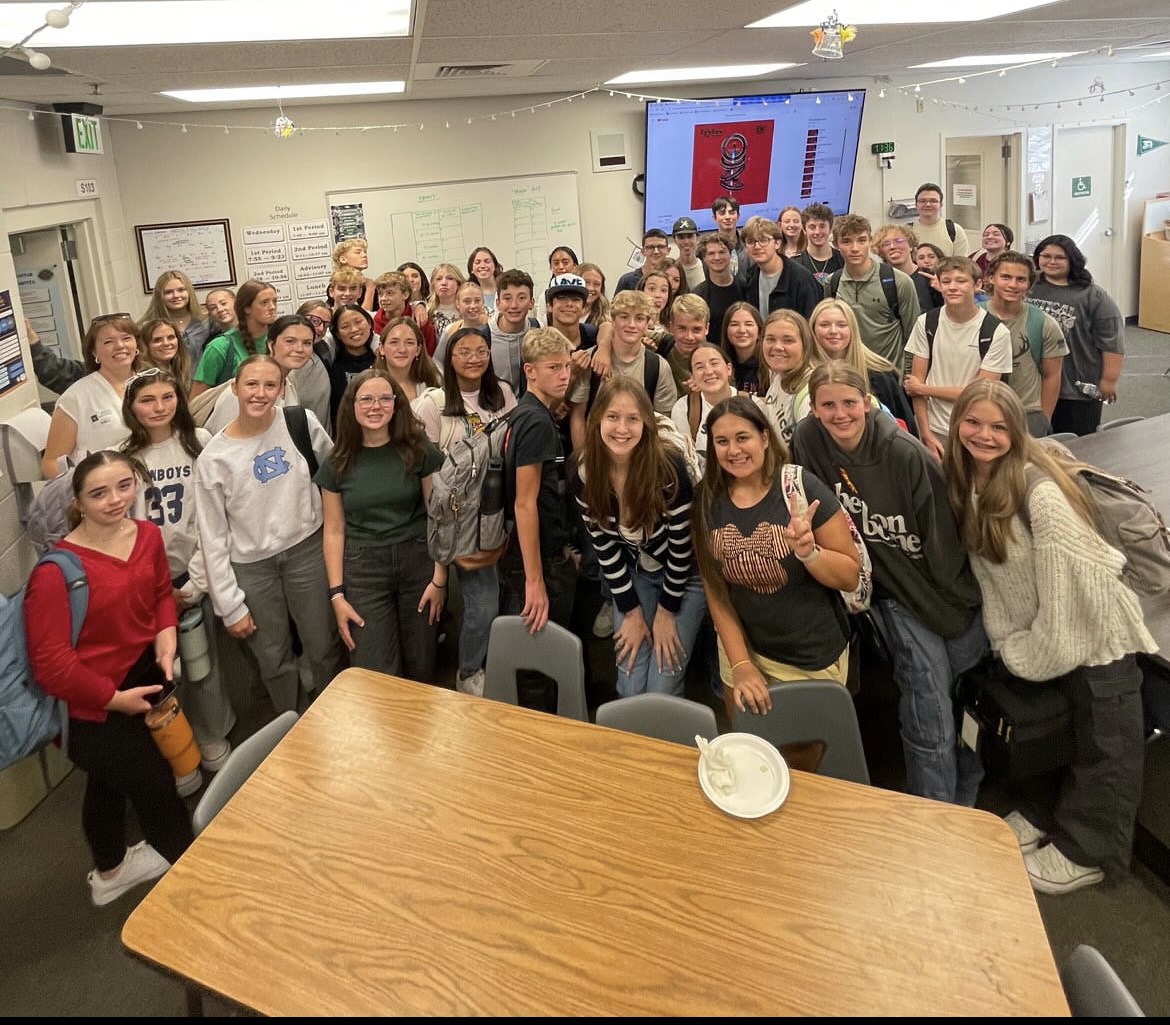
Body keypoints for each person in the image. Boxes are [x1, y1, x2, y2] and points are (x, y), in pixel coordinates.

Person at [945, 379, 1155, 894]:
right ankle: (1043, 814)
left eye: (999, 427)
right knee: (1056, 732)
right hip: (1041, 640)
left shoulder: (1039, 494)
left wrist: (1025, 652)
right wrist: (1017, 643)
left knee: (1103, 748)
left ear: (1018, 432)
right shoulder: (969, 481)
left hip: (1091, 637)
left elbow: (1070, 599)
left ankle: (1088, 851)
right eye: (973, 422)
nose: (984, 435)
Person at [792, 362, 986, 805]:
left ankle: (965, 798)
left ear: (866, 402)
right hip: (888, 594)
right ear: (814, 410)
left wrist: (954, 612)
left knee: (965, 701)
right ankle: (934, 814)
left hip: (941, 594)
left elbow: (945, 547)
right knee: (930, 712)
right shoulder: (807, 440)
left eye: (848, 403)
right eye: (827, 405)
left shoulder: (906, 455)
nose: (840, 414)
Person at [24, 450, 192, 906]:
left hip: (142, 671)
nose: (115, 500)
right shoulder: (56, 575)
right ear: (76, 501)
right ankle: (195, 874)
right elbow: (53, 666)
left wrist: (166, 635)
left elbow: (160, 592)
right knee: (156, 784)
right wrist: (113, 700)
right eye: (98, 493)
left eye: (124, 486)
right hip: (90, 704)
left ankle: (111, 871)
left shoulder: (147, 535)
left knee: (108, 782)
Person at [690, 397, 860, 747]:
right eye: (722, 442)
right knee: (750, 746)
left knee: (804, 760)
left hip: (808, 657)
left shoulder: (800, 490)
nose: (733, 450)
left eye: (743, 437)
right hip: (743, 650)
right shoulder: (706, 499)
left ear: (765, 438)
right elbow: (715, 589)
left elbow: (849, 576)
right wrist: (740, 664)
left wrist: (810, 553)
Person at [193, 355, 342, 714]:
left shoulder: (299, 423)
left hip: (306, 551)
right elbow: (212, 537)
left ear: (281, 389)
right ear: (235, 388)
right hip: (252, 568)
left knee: (323, 646)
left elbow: (336, 471)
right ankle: (293, 727)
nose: (260, 394)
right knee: (273, 658)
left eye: (270, 385)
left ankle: (336, 715)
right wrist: (229, 606)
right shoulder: (214, 459)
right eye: (251, 385)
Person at [121, 368, 235, 793]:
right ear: (131, 408)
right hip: (148, 586)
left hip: (194, 574)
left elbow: (216, 517)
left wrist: (196, 583)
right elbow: (122, 530)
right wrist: (153, 590)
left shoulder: (200, 443)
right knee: (163, 673)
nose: (159, 408)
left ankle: (211, 734)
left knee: (203, 661)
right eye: (147, 401)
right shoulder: (123, 457)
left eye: (167, 398)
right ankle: (176, 748)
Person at [572, 377, 704, 697]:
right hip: (638, 573)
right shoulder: (587, 473)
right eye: (613, 417)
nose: (622, 428)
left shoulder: (667, 470)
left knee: (661, 685)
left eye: (633, 419)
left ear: (645, 423)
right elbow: (605, 548)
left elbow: (681, 551)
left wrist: (665, 613)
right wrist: (631, 612)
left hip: (685, 577)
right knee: (630, 684)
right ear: (597, 420)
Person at [318, 370, 445, 682]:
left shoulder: (418, 451)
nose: (375, 406)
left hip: (418, 561)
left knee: (421, 662)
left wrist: (441, 579)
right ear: (351, 406)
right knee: (373, 671)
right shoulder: (337, 462)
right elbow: (334, 530)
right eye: (366, 399)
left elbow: (439, 517)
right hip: (363, 570)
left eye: (384, 398)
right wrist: (337, 595)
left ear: (396, 404)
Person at [418, 328, 517, 694]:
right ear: (449, 357)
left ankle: (496, 660)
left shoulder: (503, 393)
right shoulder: (433, 404)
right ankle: (468, 671)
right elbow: (427, 471)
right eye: (464, 351)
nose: (474, 358)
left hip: (499, 508)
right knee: (482, 602)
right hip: (457, 517)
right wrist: (439, 522)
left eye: (481, 351)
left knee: (503, 595)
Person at [499, 328, 578, 660]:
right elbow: (524, 503)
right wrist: (535, 580)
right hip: (536, 560)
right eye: (553, 368)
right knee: (543, 654)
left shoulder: (531, 413)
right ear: (529, 371)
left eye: (567, 366)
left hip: (544, 552)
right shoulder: (535, 422)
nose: (563, 375)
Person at [904, 256, 1012, 461]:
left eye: (961, 281)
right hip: (934, 430)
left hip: (976, 432)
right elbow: (916, 384)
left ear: (977, 284)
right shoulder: (926, 323)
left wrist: (924, 389)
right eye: (946, 281)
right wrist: (925, 434)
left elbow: (980, 392)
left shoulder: (995, 332)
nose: (953, 287)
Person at [1028, 234, 1125, 436]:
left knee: (1076, 443)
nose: (1052, 261)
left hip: (1076, 387)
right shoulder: (1029, 287)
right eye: (1046, 256)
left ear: (1072, 260)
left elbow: (1111, 341)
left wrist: (1109, 379)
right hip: (1034, 383)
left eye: (1059, 257)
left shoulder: (1092, 295)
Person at [41, 313, 139, 479]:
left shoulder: (151, 384)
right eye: (108, 342)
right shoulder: (75, 398)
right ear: (94, 352)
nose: (120, 346)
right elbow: (50, 463)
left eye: (126, 338)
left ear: (137, 344)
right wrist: (85, 491)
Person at [983, 251, 1068, 437]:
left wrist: (1043, 419)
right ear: (991, 279)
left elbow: (1052, 376)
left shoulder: (1044, 324)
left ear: (1029, 284)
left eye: (1020, 279)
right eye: (1005, 277)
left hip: (1027, 412)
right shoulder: (973, 317)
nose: (1013, 285)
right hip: (981, 410)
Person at [808, 298, 916, 433]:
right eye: (824, 325)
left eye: (842, 325)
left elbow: (906, 428)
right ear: (812, 329)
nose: (833, 331)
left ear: (852, 329)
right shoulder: (804, 375)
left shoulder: (880, 376)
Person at [828, 214, 921, 371]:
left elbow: (915, 338)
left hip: (889, 377)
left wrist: (906, 379)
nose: (855, 248)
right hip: (849, 375)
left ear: (870, 241)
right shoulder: (832, 283)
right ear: (836, 244)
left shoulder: (898, 282)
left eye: (861, 240)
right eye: (846, 241)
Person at [204, 314, 313, 434]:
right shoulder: (244, 388)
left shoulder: (290, 382)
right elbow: (221, 440)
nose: (299, 349)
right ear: (271, 345)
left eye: (307, 343)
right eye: (290, 341)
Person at [190, 280, 278, 398]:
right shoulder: (220, 346)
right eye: (264, 302)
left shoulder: (280, 340)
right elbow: (196, 400)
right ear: (247, 308)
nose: (272, 307)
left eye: (274, 301)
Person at [671, 342, 747, 473]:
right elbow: (686, 460)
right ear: (693, 376)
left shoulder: (753, 404)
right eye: (699, 367)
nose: (708, 371)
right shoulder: (683, 408)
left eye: (714, 363)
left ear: (728, 369)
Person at [740, 216, 821, 320]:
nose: (757, 246)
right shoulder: (750, 278)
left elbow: (811, 321)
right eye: (751, 241)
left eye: (764, 240)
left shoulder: (801, 279)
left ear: (777, 243)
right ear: (745, 247)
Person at [758, 309, 816, 444]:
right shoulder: (777, 377)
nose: (778, 347)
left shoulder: (811, 393)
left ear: (805, 345)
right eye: (770, 339)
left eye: (788, 340)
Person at [140, 269, 210, 362]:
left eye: (181, 290)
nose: (176, 295)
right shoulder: (146, 326)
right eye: (168, 292)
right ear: (159, 296)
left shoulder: (206, 320)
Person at [375, 316, 443, 408]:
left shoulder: (435, 380)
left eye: (409, 343)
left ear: (418, 350)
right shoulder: (368, 384)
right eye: (394, 342)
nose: (402, 349)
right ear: (381, 348)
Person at [328, 303, 377, 424]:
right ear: (337, 334)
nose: (354, 329)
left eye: (358, 322)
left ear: (369, 323)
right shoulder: (333, 367)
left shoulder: (383, 359)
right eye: (345, 326)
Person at [290, 299, 334, 433]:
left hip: (323, 441)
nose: (321, 329)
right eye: (315, 321)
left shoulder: (324, 350)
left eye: (326, 325)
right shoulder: (285, 360)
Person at [694, 234, 743, 344]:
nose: (717, 257)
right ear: (704, 258)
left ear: (730, 255)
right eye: (711, 253)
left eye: (722, 252)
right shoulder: (698, 296)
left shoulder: (746, 288)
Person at [912, 182, 970, 257]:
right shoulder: (908, 232)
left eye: (933, 201)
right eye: (922, 201)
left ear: (941, 204)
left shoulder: (955, 230)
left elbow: (962, 263)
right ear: (916, 204)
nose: (928, 204)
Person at [792, 203, 843, 286]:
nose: (817, 232)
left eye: (822, 226)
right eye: (812, 227)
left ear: (830, 229)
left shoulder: (843, 260)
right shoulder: (794, 264)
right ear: (804, 230)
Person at [720, 301, 764, 396]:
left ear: (760, 332)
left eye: (749, 324)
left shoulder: (771, 366)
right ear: (726, 331)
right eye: (734, 324)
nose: (742, 330)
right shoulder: (719, 365)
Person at [138, 317, 193, 389]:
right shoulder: (143, 378)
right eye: (157, 340)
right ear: (145, 345)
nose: (166, 343)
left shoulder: (181, 370)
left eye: (171, 337)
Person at [332, 238, 375, 309]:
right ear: (343, 259)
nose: (364, 255)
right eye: (358, 252)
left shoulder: (366, 282)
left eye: (365, 252)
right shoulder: (336, 284)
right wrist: (370, 290)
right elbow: (359, 316)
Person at [711, 195, 747, 278]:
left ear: (738, 216)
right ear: (714, 218)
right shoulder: (707, 248)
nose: (727, 217)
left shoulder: (748, 245)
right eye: (722, 213)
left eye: (732, 213)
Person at [427, 262, 466, 339]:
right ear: (433, 285)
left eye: (450, 278)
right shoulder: (426, 312)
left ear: (458, 284)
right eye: (439, 279)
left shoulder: (468, 309)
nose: (444, 283)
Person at [671, 216, 705, 290]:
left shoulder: (707, 268)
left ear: (697, 238)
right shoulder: (671, 269)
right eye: (681, 237)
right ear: (674, 239)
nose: (686, 242)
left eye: (690, 236)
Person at [467, 246, 503, 315]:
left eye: (487, 261)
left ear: (495, 266)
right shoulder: (469, 294)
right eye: (477, 262)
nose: (482, 265)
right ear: (471, 269)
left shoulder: (506, 288)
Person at [578, 262, 612, 327]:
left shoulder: (604, 321)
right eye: (586, 282)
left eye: (596, 284)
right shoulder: (561, 315)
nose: (590, 288)